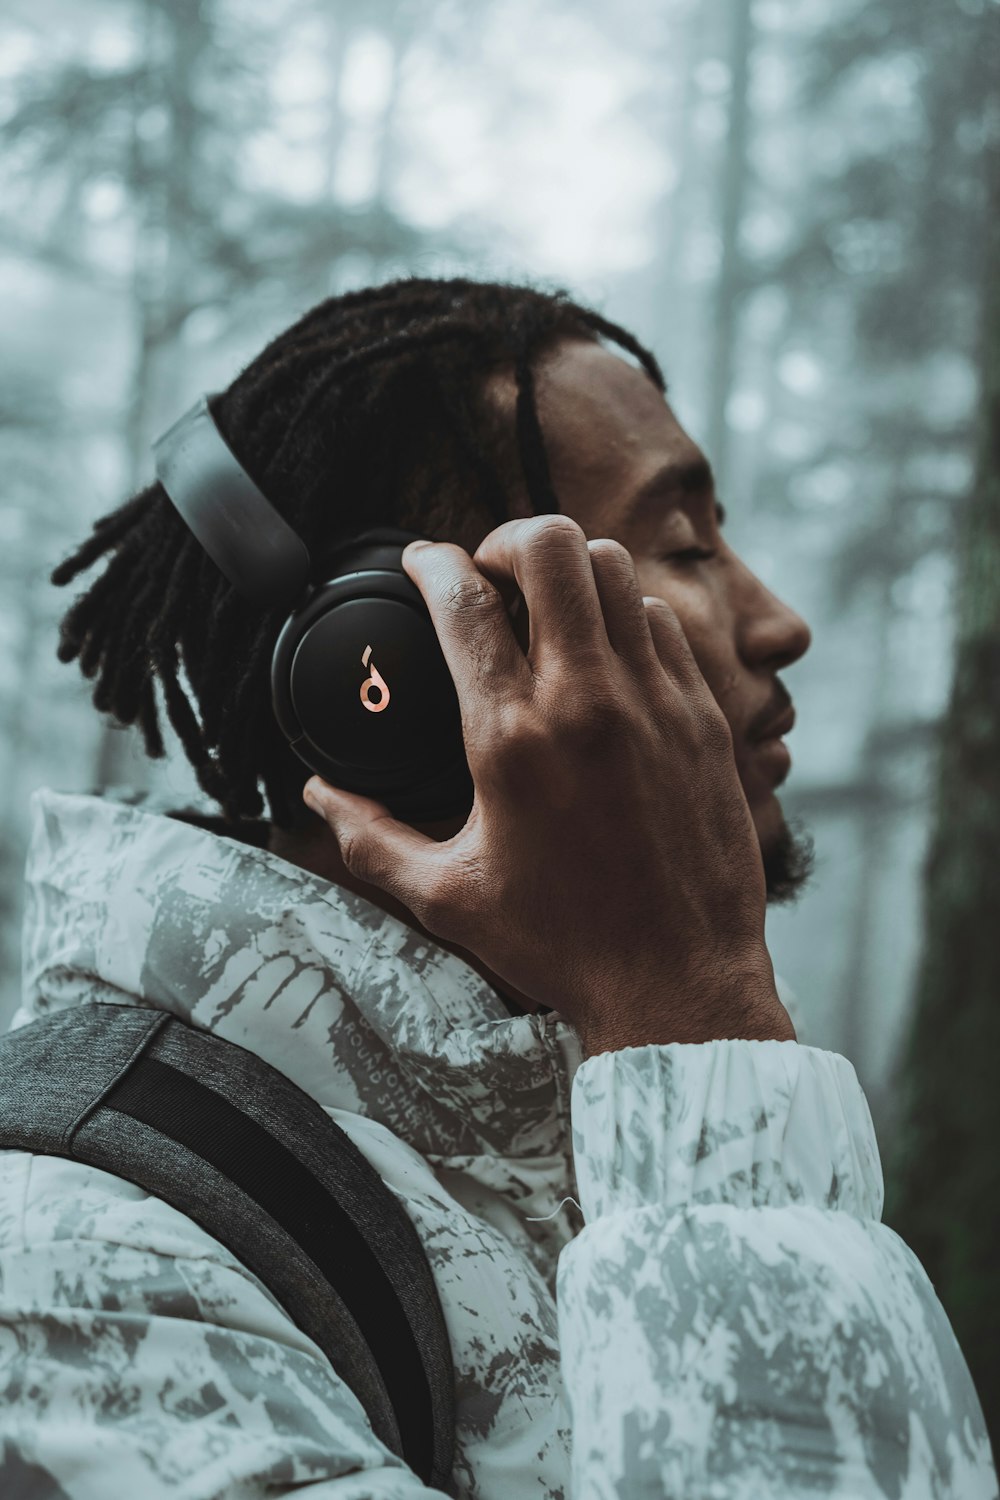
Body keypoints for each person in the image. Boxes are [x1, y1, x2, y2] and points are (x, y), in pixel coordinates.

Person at [0, 277, 994, 1497]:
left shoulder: (573, 1126)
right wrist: (684, 1006)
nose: (778, 620)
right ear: (401, 662)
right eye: (683, 545)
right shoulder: (73, 1267)